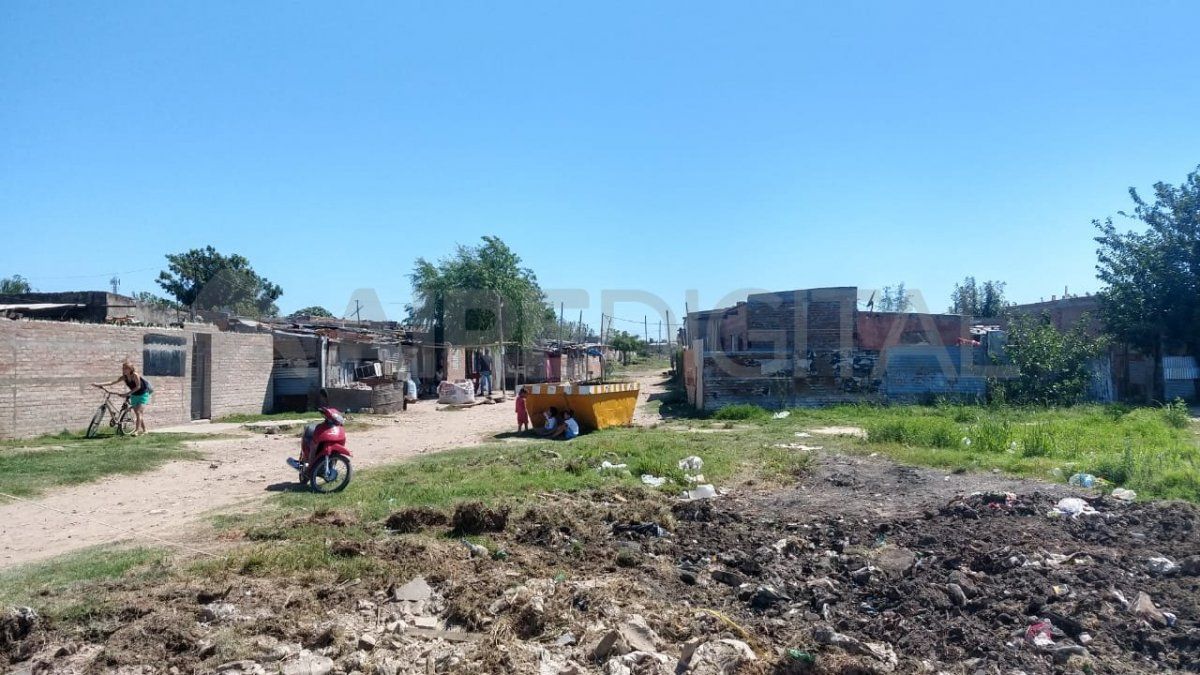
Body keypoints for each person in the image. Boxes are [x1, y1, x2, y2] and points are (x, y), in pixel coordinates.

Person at [92, 360, 152, 436]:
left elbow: (138, 386)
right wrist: (98, 384)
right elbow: (112, 382)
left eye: (126, 368)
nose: (123, 370)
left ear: (130, 369)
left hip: (143, 394)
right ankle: (145, 430)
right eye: (123, 368)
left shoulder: (135, 375)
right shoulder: (124, 377)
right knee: (138, 413)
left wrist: (126, 394)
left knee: (139, 413)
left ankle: (136, 431)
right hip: (134, 395)